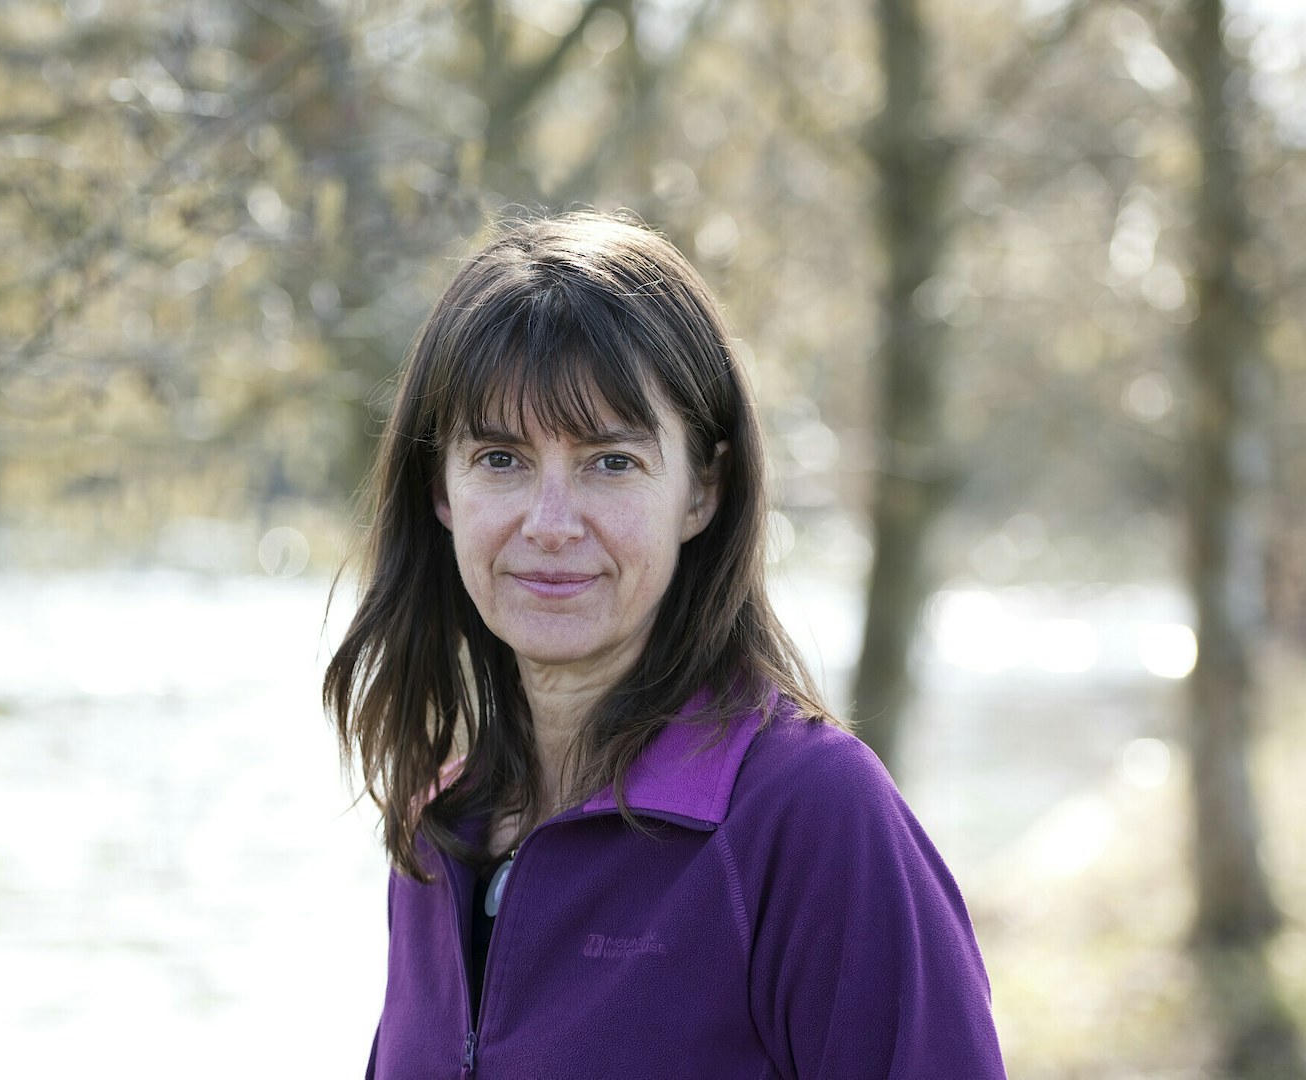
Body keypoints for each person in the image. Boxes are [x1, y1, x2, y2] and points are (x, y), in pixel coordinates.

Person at [324, 210, 1004, 1078]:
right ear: (442, 490)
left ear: (702, 492)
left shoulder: (811, 815)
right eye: (501, 458)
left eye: (611, 460)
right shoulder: (437, 828)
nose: (551, 523)